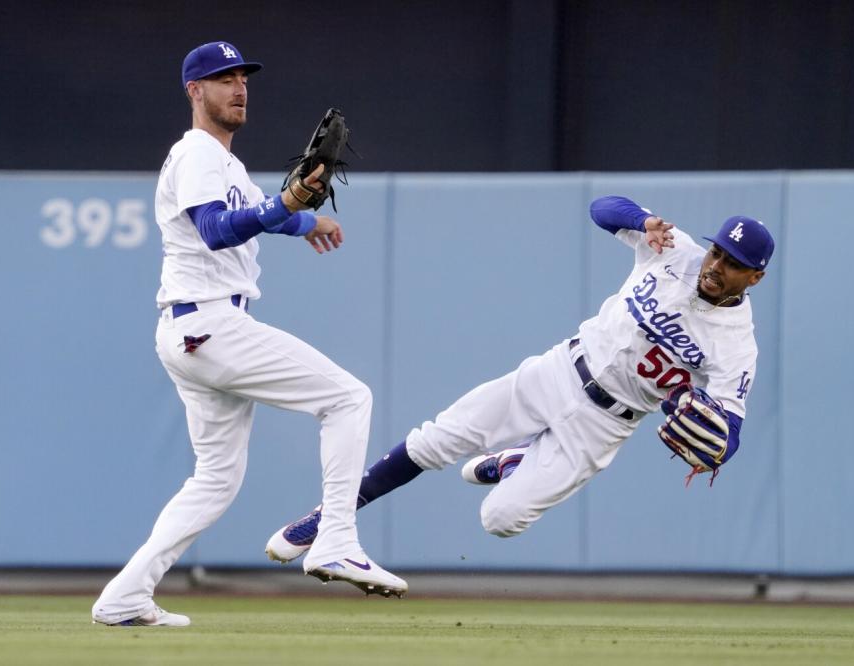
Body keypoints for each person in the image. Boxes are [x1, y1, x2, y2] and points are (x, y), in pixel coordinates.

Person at [264, 195, 774, 564]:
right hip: (557, 372)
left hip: (604, 426)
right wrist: (645, 220)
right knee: (437, 439)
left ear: (755, 278)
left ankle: (514, 461)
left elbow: (728, 434)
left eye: (734, 265)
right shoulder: (674, 250)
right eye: (718, 254)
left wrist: (716, 441)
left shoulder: (736, 345)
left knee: (500, 520)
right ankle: (326, 519)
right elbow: (602, 208)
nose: (717, 266)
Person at [92, 41, 406, 628]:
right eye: (222, 78)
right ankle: (336, 538)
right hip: (209, 323)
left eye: (243, 77)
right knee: (347, 397)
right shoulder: (195, 155)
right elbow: (215, 230)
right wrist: (284, 205)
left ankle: (125, 596)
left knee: (215, 480)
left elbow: (259, 212)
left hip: (196, 329)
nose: (238, 87)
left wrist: (305, 217)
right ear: (195, 91)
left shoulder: (226, 164)